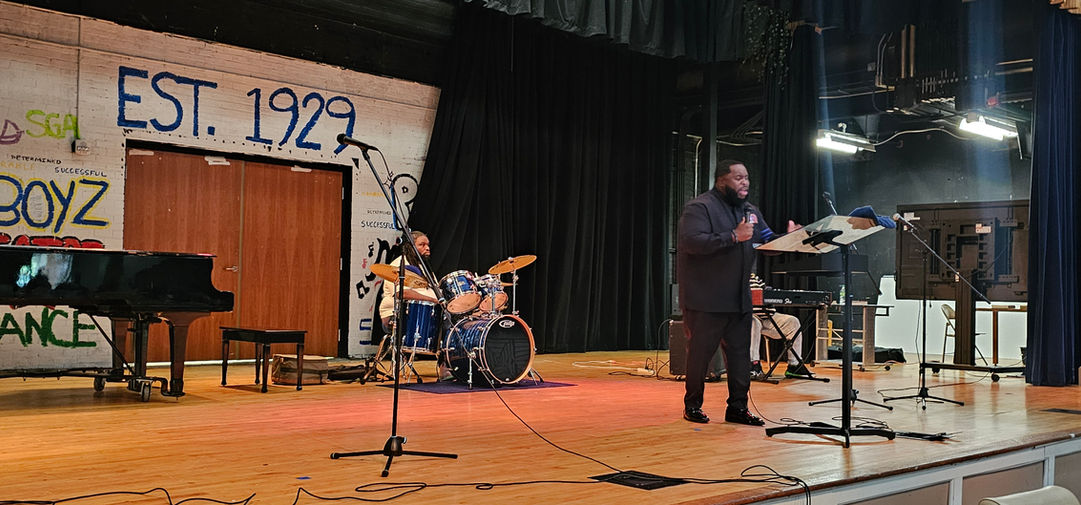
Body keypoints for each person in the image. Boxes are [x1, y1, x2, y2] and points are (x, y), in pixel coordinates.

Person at [676, 159, 799, 425]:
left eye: (747, 178)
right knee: (700, 355)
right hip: (706, 298)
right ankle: (692, 405)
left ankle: (738, 408)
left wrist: (789, 239)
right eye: (739, 178)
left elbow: (767, 241)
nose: (745, 183)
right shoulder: (700, 207)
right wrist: (733, 236)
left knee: (740, 356)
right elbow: (691, 242)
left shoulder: (750, 210)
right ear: (721, 180)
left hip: (739, 298)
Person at [749, 273, 810, 379]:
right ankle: (753, 366)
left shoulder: (755, 278)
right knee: (754, 322)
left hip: (768, 317)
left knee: (793, 322)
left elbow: (769, 294)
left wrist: (770, 292)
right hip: (749, 317)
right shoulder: (735, 278)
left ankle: (794, 365)